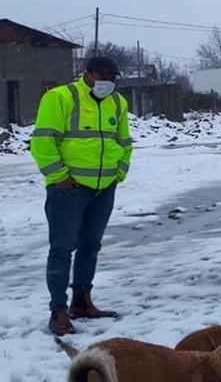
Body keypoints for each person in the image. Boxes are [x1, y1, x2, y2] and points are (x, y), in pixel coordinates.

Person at [30, 56, 132, 336]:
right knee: (62, 249)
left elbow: (124, 142)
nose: (107, 81)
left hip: (104, 187)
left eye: (112, 77)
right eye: (102, 75)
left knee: (90, 246)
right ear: (87, 74)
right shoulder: (60, 97)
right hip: (68, 189)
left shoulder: (118, 103)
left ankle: (82, 301)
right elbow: (42, 141)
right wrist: (59, 177)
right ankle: (58, 311)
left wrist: (119, 172)